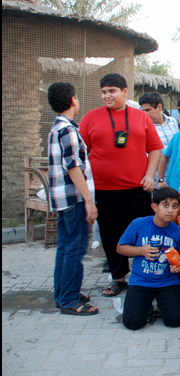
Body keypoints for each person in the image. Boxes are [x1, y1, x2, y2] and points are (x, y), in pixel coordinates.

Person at [80, 73, 163, 298]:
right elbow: (81, 154)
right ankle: (118, 278)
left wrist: (150, 176)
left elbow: (155, 149)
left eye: (112, 91)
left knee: (144, 234)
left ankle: (145, 276)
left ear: (125, 92)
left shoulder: (141, 117)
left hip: (138, 190)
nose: (107, 95)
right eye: (104, 92)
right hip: (104, 190)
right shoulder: (91, 118)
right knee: (110, 235)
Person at [47, 82, 99, 316]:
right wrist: (88, 200)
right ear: (72, 100)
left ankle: (64, 294)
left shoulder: (57, 128)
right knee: (75, 249)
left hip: (63, 200)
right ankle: (69, 299)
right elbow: (73, 167)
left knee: (65, 247)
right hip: (74, 199)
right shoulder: (67, 130)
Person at [118, 188, 180, 330]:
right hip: (141, 280)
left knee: (176, 320)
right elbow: (120, 248)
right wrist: (141, 250)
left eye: (174, 206)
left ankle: (161, 303)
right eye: (165, 205)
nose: (170, 210)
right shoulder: (138, 224)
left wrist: (178, 265)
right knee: (132, 323)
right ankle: (146, 304)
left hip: (167, 281)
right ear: (154, 207)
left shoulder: (177, 231)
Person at [139, 92, 179, 187]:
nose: (144, 113)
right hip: (155, 179)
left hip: (174, 176)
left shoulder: (172, 121)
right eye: (142, 110)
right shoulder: (142, 127)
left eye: (148, 110)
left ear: (159, 107)